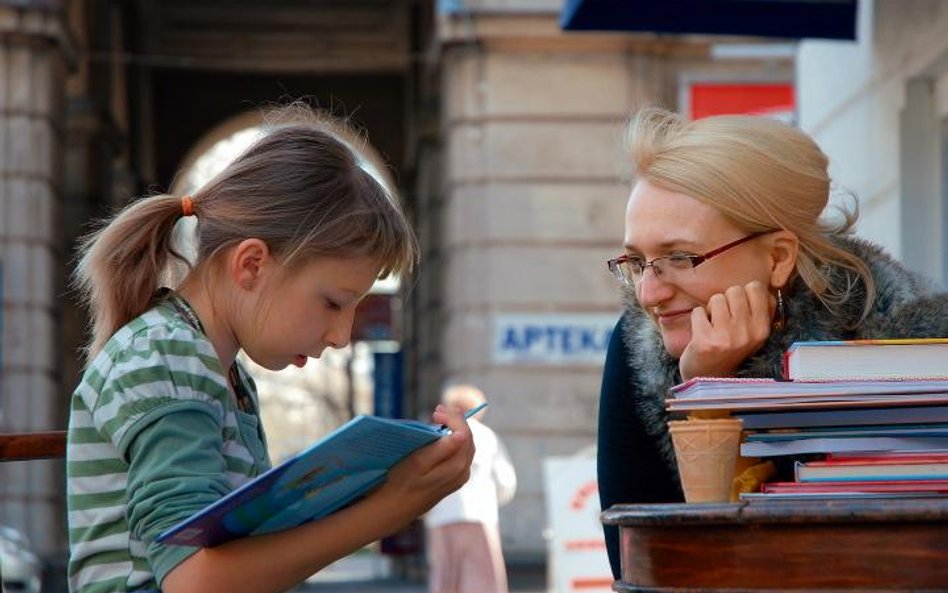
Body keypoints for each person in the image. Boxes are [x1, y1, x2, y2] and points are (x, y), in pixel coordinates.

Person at [66, 109, 475, 593]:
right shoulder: (166, 357)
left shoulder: (219, 372)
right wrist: (389, 509)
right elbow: (193, 581)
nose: (342, 336)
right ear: (252, 265)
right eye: (333, 303)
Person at [597, 107, 948, 578]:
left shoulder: (913, 343)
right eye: (637, 260)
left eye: (680, 257)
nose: (649, 293)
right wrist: (704, 396)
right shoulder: (638, 345)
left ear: (779, 258)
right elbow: (645, 565)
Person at [424, 385, 517, 593]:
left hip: (442, 515)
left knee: (445, 576)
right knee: (482, 579)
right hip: (479, 514)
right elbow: (505, 481)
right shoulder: (487, 435)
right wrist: (493, 501)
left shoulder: (437, 435)